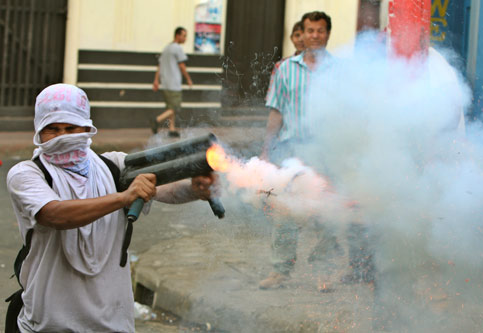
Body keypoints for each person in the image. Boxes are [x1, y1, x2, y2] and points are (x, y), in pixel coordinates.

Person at [6, 83, 215, 332]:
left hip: (112, 324)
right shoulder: (26, 174)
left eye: (70, 128)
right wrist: (123, 198)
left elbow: (161, 188)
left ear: (86, 127)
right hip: (48, 325)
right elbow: (54, 214)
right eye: (52, 129)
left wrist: (196, 190)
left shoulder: (112, 166)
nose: (62, 136)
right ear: (39, 132)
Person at [259, 11, 344, 292]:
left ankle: (325, 273)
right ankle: (280, 271)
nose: (315, 35)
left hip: (328, 151)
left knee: (325, 212)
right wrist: (265, 150)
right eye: (310, 30)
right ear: (302, 34)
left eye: (321, 30)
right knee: (284, 211)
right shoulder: (285, 69)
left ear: (328, 34)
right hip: (290, 150)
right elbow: (275, 112)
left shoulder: (340, 71)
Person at [152, 27, 193, 137]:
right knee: (174, 107)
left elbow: (159, 65)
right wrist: (188, 79)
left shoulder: (166, 48)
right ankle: (157, 120)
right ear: (177, 35)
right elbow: (182, 66)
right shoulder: (177, 49)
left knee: (171, 107)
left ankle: (171, 129)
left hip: (165, 83)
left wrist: (156, 80)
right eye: (184, 36)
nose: (185, 38)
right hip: (174, 83)